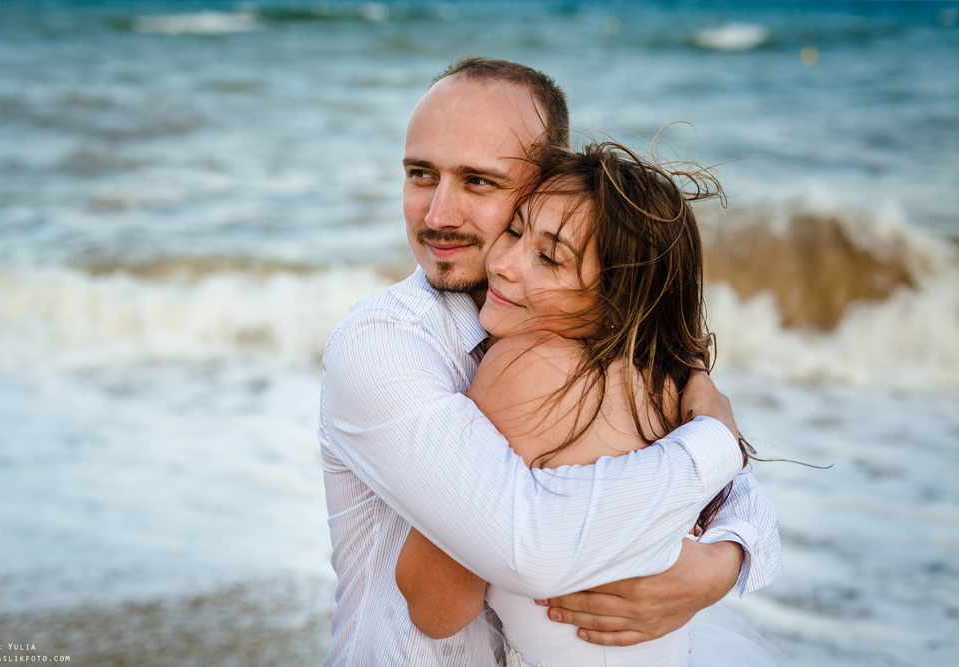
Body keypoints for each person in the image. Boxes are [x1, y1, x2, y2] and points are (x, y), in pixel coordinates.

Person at [319, 57, 781, 666]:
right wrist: (714, 443)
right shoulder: (382, 344)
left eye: (478, 181)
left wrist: (723, 563)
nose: (437, 217)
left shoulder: (610, 344)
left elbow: (740, 499)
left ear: (548, 186)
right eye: (421, 174)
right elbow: (525, 542)